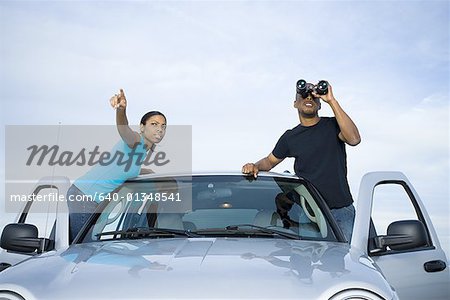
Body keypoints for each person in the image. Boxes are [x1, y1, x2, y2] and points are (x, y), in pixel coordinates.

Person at [242, 80, 361, 241]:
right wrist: (255, 165)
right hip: (308, 212)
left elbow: (354, 139)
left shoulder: (333, 125)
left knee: (344, 262)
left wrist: (331, 100)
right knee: (302, 263)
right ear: (295, 104)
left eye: (314, 97)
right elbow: (269, 162)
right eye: (304, 95)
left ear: (319, 104)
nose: (309, 98)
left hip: (340, 211)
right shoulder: (290, 137)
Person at [67, 89, 167, 241]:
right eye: (154, 124)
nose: (160, 129)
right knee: (82, 249)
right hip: (85, 196)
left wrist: (153, 174)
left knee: (75, 246)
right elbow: (123, 128)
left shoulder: (141, 151)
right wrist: (121, 110)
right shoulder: (135, 141)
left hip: (92, 200)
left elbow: (129, 170)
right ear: (142, 127)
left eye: (163, 126)